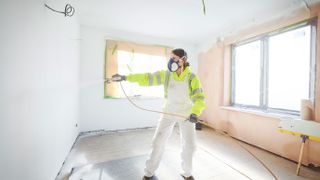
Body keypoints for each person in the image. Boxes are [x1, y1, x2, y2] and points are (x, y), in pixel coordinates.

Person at [112, 48, 205, 180]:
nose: (170, 61)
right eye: (170, 58)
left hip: (186, 115)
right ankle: (149, 172)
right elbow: (147, 78)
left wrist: (195, 113)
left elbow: (199, 98)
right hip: (168, 112)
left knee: (190, 145)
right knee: (157, 142)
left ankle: (187, 173)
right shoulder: (167, 75)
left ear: (183, 60)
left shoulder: (192, 77)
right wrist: (125, 77)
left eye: (174, 58)